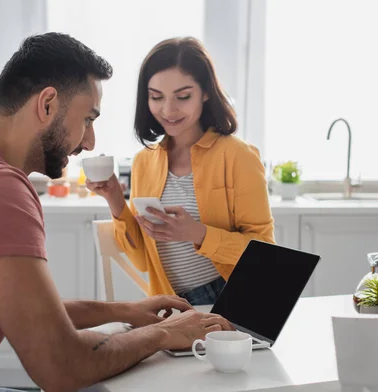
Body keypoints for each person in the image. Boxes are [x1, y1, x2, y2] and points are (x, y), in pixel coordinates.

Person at [0, 33, 231, 392]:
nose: (89, 142)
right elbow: (61, 368)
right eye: (88, 119)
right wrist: (165, 333)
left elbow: (28, 312)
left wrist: (126, 311)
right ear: (48, 104)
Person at [88, 37, 275, 306]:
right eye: (156, 97)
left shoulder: (238, 156)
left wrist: (199, 234)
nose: (168, 110)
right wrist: (115, 199)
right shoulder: (145, 161)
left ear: (206, 92)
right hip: (171, 303)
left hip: (231, 296)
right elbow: (142, 260)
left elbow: (265, 253)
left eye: (183, 97)